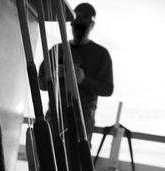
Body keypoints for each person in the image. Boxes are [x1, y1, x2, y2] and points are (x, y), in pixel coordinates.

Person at [38, 3, 114, 143]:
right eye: (76, 24)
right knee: (48, 159)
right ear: (71, 24)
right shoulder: (56, 50)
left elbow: (108, 89)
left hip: (82, 123)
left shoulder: (101, 54)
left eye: (83, 26)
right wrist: (53, 76)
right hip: (54, 118)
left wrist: (83, 80)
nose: (78, 29)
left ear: (91, 26)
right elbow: (41, 83)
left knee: (78, 162)